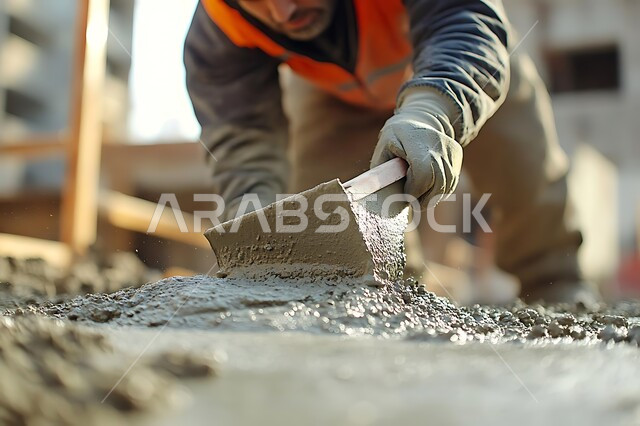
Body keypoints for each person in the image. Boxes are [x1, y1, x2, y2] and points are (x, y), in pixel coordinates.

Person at [184, 0, 597, 304]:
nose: (284, 12)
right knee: (331, 233)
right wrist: (251, 201)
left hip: (459, 60)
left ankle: (556, 286)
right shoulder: (217, 29)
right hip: (334, 97)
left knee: (522, 168)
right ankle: (395, 305)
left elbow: (463, 18)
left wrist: (431, 112)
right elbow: (241, 132)